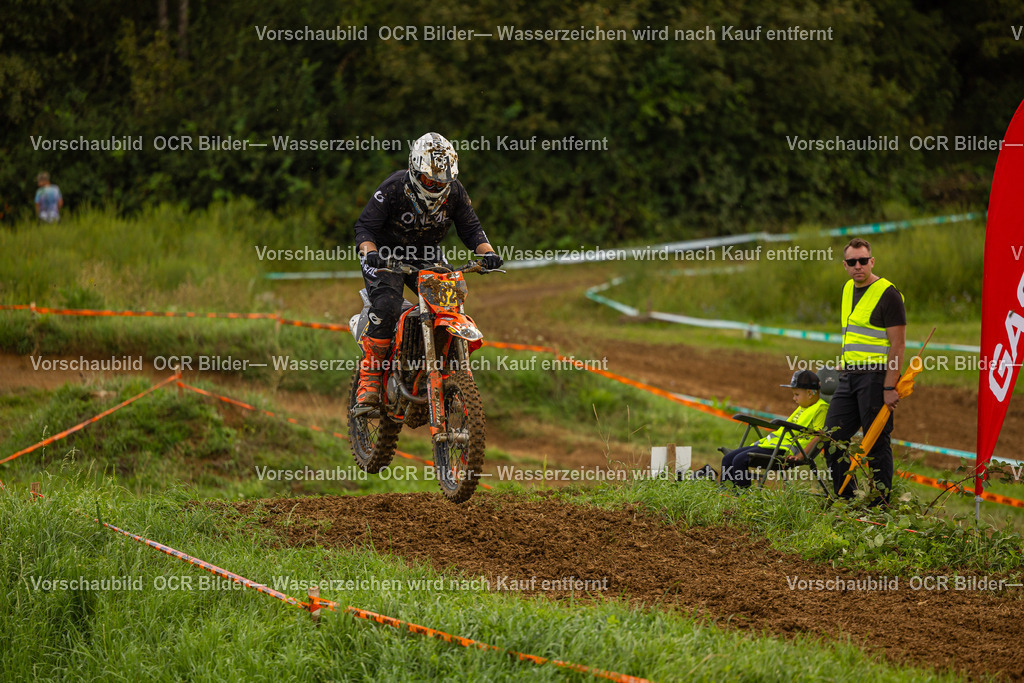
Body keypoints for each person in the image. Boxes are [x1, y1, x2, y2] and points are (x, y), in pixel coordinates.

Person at [352, 132, 503, 407]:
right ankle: (370, 378)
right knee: (387, 304)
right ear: (414, 170)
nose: (434, 185)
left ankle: (445, 373)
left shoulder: (455, 192)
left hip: (426, 252)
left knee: (449, 305)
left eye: (440, 181)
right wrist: (370, 252)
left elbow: (471, 230)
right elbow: (364, 227)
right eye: (429, 180)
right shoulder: (393, 188)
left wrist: (488, 253)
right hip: (385, 253)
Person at [823, 238, 906, 505]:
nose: (858, 266)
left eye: (863, 260)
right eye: (852, 262)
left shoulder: (888, 294)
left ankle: (880, 506)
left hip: (875, 377)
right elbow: (854, 336)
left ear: (872, 261)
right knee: (832, 437)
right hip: (849, 375)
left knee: (876, 443)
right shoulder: (848, 289)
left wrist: (890, 386)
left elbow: (898, 344)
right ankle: (848, 498)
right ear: (845, 265)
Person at [720, 370, 829, 488]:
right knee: (727, 459)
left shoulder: (821, 408)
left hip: (786, 450)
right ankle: (725, 494)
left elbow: (820, 435)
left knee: (739, 460)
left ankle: (742, 498)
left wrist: (801, 456)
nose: (794, 398)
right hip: (772, 444)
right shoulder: (804, 406)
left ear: (809, 393)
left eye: (796, 394)